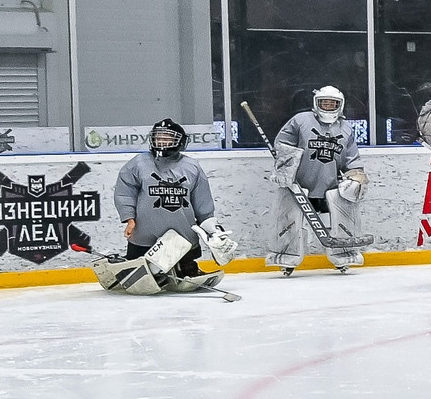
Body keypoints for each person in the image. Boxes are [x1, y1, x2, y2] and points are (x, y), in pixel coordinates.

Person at [104, 118, 237, 295]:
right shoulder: (138, 163)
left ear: (180, 141)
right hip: (145, 230)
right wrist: (129, 218)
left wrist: (212, 230)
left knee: (186, 257)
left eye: (167, 138)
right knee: (139, 262)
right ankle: (132, 268)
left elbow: (202, 202)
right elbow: (124, 191)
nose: (162, 142)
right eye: (159, 138)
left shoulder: (191, 167)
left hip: (182, 229)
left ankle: (187, 269)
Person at [268, 85, 369, 276]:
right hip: (299, 186)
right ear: (316, 103)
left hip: (330, 187)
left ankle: (344, 254)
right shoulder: (300, 121)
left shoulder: (346, 128)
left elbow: (351, 158)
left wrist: (356, 176)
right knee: (289, 220)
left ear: (340, 105)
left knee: (345, 209)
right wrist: (285, 167)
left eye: (333, 104)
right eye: (324, 103)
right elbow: (282, 144)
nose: (328, 107)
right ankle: (286, 256)